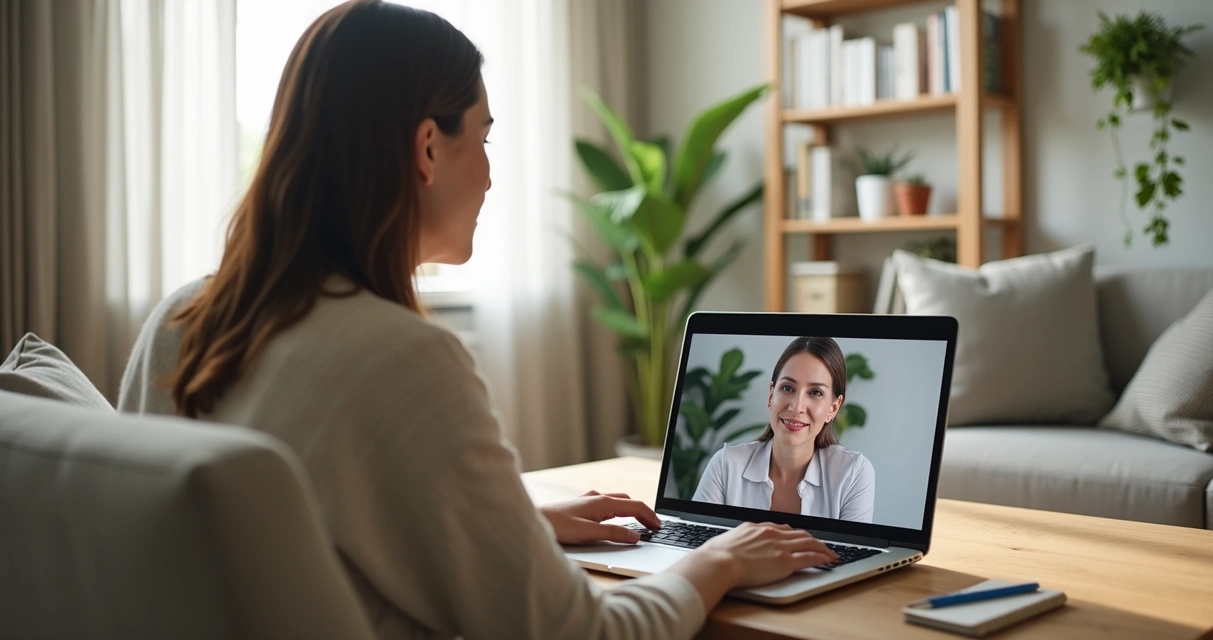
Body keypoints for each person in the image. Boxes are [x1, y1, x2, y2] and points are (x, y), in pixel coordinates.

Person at [116, 2, 837, 639]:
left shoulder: (180, 320)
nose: (490, 174)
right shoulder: (402, 359)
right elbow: (583, 633)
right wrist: (716, 562)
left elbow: (310, 519)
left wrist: (513, 523)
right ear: (428, 147)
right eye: (484, 139)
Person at [692, 337, 876, 523]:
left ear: (834, 408)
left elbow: (847, 551)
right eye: (787, 388)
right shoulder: (725, 466)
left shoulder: (853, 473)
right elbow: (698, 547)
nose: (796, 407)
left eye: (815, 393)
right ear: (771, 395)